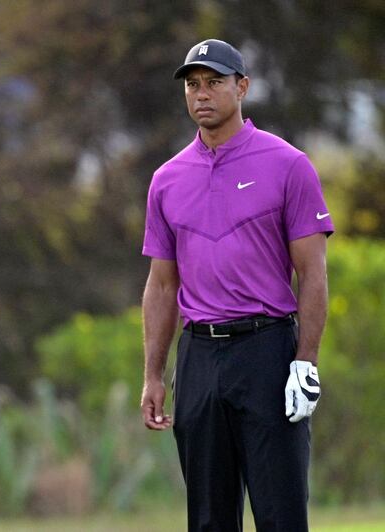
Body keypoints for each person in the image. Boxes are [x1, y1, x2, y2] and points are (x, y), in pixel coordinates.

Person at [140, 39, 332, 531]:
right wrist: (154, 374)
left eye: (214, 83)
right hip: (199, 358)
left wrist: (304, 362)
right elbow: (162, 286)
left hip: (268, 352)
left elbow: (312, 274)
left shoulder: (288, 164)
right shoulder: (166, 179)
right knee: (208, 518)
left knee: (280, 513)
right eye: (192, 85)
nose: (201, 94)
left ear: (242, 87)